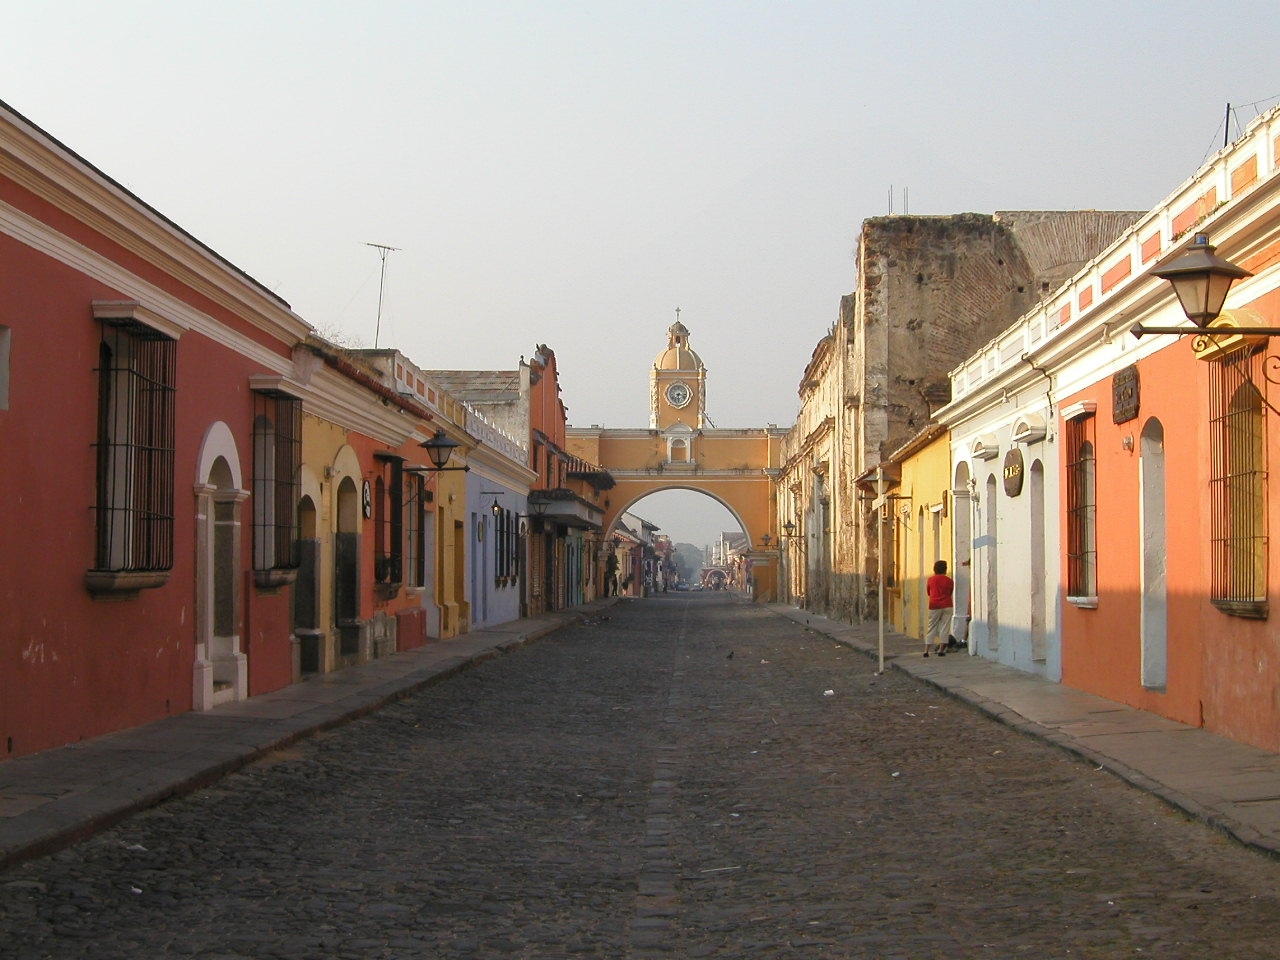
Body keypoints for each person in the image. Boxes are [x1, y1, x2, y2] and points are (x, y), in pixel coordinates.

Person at [924, 559, 954, 657]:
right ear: (945, 569)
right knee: (945, 627)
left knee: (931, 627)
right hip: (947, 604)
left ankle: (926, 650)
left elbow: (928, 592)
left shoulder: (930, 580)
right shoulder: (949, 581)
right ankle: (941, 650)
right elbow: (950, 592)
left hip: (934, 605)